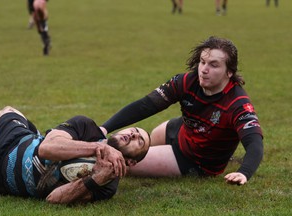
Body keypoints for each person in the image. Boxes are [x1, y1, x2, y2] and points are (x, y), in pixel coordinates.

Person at [101, 36, 263, 186]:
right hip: (177, 130)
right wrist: (105, 128)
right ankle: (91, 145)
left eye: (213, 65)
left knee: (123, 162)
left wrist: (244, 173)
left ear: (229, 72)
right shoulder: (187, 81)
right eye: (202, 62)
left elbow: (254, 142)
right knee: (133, 146)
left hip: (193, 159)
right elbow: (147, 105)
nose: (204, 69)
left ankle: (83, 165)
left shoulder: (238, 104)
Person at [0, 106, 150, 204]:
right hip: (16, 140)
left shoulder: (107, 187)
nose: (132, 133)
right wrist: (97, 148)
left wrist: (94, 179)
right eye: (134, 130)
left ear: (130, 161)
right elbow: (47, 149)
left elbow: (53, 199)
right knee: (7, 110)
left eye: (139, 140)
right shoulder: (86, 127)